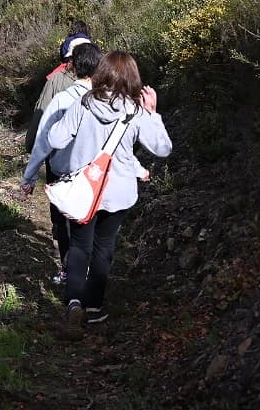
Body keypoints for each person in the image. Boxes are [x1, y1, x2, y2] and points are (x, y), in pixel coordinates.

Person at [47, 51, 171, 338]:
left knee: (80, 245)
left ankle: (74, 300)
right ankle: (93, 307)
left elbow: (56, 139)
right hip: (119, 193)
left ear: (101, 73)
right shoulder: (136, 112)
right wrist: (153, 115)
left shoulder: (83, 104)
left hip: (84, 191)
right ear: (132, 78)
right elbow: (163, 149)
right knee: (104, 247)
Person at [21, 42, 104, 284]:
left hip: (62, 172)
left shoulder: (61, 100)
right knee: (91, 222)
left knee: (64, 223)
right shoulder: (107, 100)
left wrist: (29, 177)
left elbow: (43, 141)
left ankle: (70, 271)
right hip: (94, 174)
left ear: (73, 67)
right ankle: (90, 272)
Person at [25, 21, 93, 153]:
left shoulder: (57, 78)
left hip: (59, 151)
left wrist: (31, 144)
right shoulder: (101, 76)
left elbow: (42, 110)